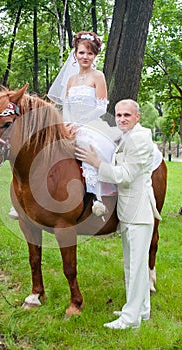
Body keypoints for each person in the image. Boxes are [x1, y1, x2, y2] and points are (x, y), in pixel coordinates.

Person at [75, 99, 162, 329]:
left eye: (127, 115)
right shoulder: (127, 136)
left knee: (135, 266)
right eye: (119, 115)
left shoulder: (140, 138)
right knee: (134, 265)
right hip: (129, 210)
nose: (122, 119)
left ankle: (130, 319)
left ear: (137, 117)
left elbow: (125, 175)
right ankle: (141, 310)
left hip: (139, 211)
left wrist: (96, 163)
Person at [48, 31, 121, 217]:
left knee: (87, 145)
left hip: (91, 124)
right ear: (75, 54)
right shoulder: (71, 80)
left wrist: (79, 124)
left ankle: (96, 196)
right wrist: (67, 124)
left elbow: (102, 107)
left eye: (89, 53)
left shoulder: (98, 76)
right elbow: (67, 106)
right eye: (81, 53)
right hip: (70, 123)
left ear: (95, 56)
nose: (85, 57)